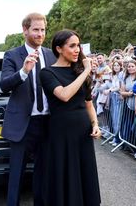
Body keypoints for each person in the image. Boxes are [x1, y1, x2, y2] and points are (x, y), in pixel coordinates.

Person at [39, 29, 101, 206]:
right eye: (72, 46)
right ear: (59, 48)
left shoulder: (79, 72)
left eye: (78, 46)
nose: (77, 50)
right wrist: (86, 71)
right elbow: (64, 95)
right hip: (61, 134)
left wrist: (95, 124)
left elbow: (88, 104)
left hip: (83, 133)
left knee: (84, 175)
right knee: (64, 176)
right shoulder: (47, 73)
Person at [0, 12, 56, 206]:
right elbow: (4, 85)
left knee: (43, 175)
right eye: (36, 30)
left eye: (43, 30)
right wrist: (23, 71)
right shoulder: (12, 55)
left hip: (47, 123)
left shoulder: (51, 55)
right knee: (16, 175)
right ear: (25, 30)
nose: (40, 34)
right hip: (23, 125)